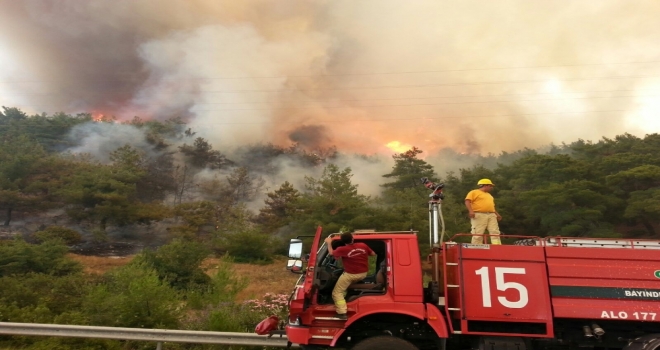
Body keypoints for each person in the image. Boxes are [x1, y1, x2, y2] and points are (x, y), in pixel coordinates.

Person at [324, 232, 375, 320]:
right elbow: (373, 254)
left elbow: (331, 253)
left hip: (351, 275)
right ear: (352, 238)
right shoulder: (362, 245)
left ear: (343, 241)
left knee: (336, 293)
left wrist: (329, 242)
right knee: (345, 286)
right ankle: (346, 299)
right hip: (363, 274)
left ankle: (342, 312)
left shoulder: (342, 249)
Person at [465, 178, 502, 245]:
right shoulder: (474, 192)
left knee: (495, 231)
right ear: (486, 185)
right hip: (479, 214)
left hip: (491, 214)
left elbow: (492, 207)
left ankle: (497, 246)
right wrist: (471, 211)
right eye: (490, 186)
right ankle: (476, 248)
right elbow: (467, 201)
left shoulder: (489, 195)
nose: (491, 188)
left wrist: (497, 214)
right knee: (478, 233)